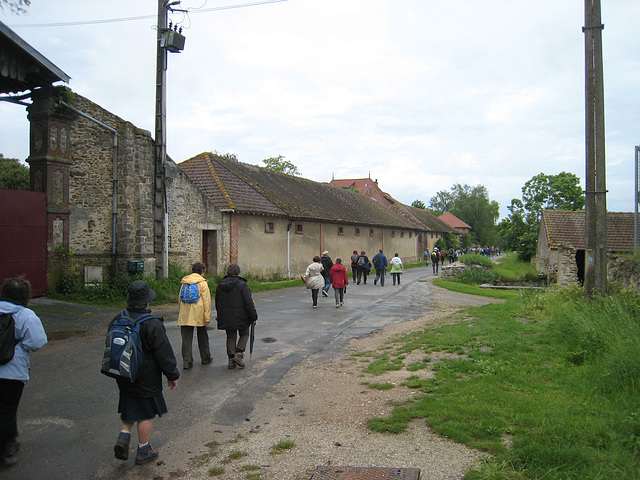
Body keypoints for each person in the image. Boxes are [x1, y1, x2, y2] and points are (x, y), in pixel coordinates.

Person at [111, 280, 179, 465]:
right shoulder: (151, 323)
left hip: (123, 373)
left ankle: (123, 437)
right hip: (146, 376)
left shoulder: (119, 318)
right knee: (146, 412)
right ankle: (143, 449)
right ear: (147, 302)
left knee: (130, 404)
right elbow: (163, 352)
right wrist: (172, 375)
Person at [0, 277, 47, 470]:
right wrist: (20, 346)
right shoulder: (26, 316)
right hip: (12, 371)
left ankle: (11, 440)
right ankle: (3, 452)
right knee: (7, 411)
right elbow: (37, 342)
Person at [215, 264, 258, 369]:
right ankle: (238, 355)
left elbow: (217, 302)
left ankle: (231, 360)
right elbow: (248, 302)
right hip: (241, 315)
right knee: (244, 334)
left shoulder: (220, 285)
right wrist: (253, 315)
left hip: (226, 315)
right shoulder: (242, 284)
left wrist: (220, 314)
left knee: (230, 336)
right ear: (238, 272)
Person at [178, 262, 212, 369]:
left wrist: (181, 312)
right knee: (202, 336)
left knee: (186, 338)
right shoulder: (202, 283)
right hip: (199, 312)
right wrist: (207, 317)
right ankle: (205, 357)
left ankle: (187, 361)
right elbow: (207, 301)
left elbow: (180, 299)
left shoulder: (185, 281)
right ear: (202, 271)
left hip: (185, 312)